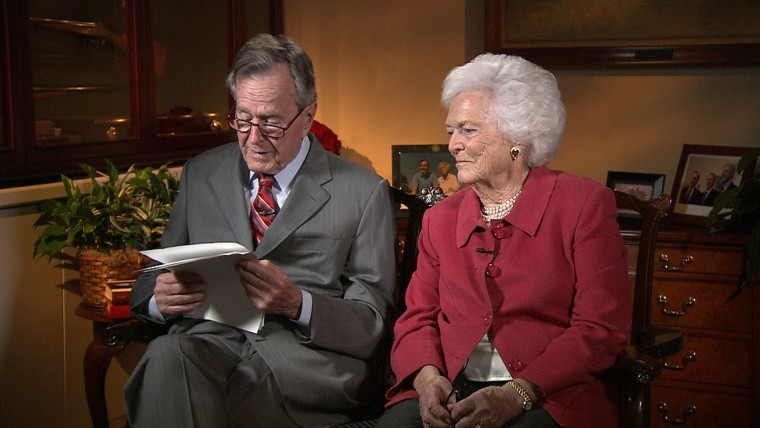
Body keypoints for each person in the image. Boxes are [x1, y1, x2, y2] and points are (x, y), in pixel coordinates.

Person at [125, 34, 397, 428]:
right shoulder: (201, 173)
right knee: (166, 358)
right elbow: (147, 281)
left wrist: (296, 303)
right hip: (207, 346)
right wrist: (158, 298)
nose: (253, 139)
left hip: (304, 365)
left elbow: (373, 324)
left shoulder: (363, 191)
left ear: (307, 117)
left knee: (197, 399)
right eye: (243, 119)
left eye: (270, 122)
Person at [376, 53, 630, 428]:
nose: (453, 145)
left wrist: (519, 394)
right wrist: (427, 378)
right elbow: (417, 317)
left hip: (548, 392)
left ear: (518, 138)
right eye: (451, 130)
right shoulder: (439, 220)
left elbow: (600, 328)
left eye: (468, 129)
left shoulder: (583, 206)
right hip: (451, 384)